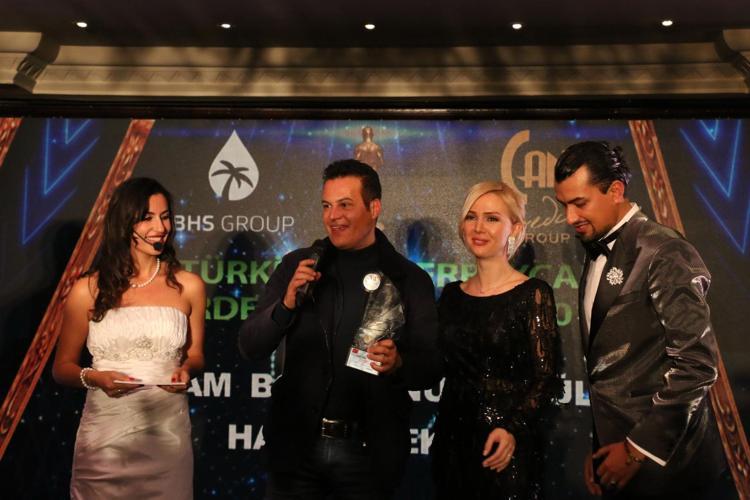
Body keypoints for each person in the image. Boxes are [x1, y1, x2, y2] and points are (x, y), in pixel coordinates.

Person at [238, 159, 440, 499]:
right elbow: (249, 346)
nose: (333, 216)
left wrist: (399, 363)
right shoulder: (298, 266)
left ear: (374, 208)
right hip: (296, 450)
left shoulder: (409, 279)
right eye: (326, 206)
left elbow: (432, 367)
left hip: (368, 456)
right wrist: (285, 305)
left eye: (345, 205)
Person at [553, 141, 730, 499]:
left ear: (616, 190)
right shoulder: (595, 246)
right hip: (617, 456)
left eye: (580, 203)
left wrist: (636, 449)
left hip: (671, 469)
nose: (569, 218)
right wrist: (603, 445)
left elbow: (697, 364)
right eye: (564, 205)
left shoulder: (663, 250)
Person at [52, 177, 206, 500]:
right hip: (105, 443)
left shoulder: (189, 285)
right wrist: (96, 378)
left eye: (165, 217)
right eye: (147, 218)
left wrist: (185, 370)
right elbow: (62, 368)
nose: (160, 228)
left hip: (166, 439)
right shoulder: (87, 290)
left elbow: (196, 356)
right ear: (124, 223)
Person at [431, 181, 562, 500]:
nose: (478, 227)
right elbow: (435, 364)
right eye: (471, 216)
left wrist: (513, 428)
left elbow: (546, 378)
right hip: (452, 443)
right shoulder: (451, 295)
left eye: (491, 218)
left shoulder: (533, 294)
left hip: (504, 447)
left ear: (514, 228)